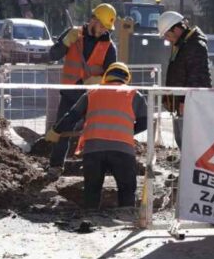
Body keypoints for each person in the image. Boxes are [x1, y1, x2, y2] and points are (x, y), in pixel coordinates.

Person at [46, 62, 148, 209]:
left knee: (92, 189)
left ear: (106, 77)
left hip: (93, 149)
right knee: (127, 190)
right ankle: (125, 217)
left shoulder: (92, 92)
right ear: (126, 78)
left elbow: (72, 116)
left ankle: (91, 218)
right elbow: (145, 123)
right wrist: (126, 131)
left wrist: (56, 130)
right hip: (122, 149)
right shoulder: (134, 94)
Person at [46, 3, 118, 176]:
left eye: (106, 27)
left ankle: (95, 167)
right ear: (92, 20)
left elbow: (114, 76)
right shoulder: (73, 34)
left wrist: (99, 80)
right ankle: (55, 166)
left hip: (93, 98)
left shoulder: (109, 47)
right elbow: (53, 55)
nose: (103, 30)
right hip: (70, 94)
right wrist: (64, 43)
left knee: (95, 134)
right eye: (101, 25)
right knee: (63, 131)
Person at [157, 11, 211, 149]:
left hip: (190, 103)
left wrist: (184, 101)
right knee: (182, 141)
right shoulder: (183, 44)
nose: (168, 40)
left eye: (168, 35)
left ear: (176, 29)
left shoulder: (195, 45)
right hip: (183, 103)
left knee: (189, 144)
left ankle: (189, 170)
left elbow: (197, 76)